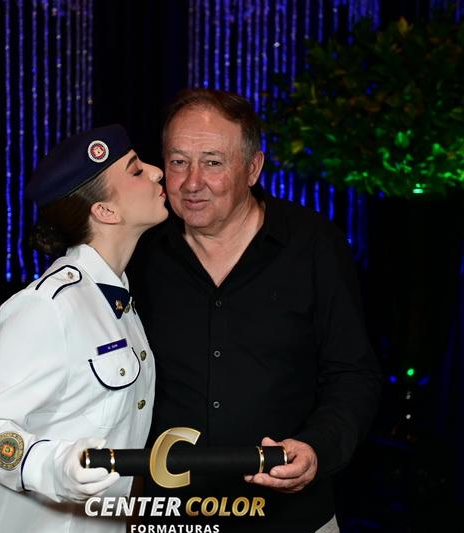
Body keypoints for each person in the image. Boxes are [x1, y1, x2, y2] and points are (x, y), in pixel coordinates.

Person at [128, 89, 382, 532]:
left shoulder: (312, 245)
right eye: (178, 162)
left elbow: (353, 373)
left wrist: (316, 449)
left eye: (212, 162)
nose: (191, 182)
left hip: (291, 519)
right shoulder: (139, 250)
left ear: (253, 168)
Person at [0, 124, 168, 533]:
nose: (157, 172)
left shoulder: (117, 300)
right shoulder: (48, 306)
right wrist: (53, 466)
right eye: (136, 170)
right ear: (105, 211)